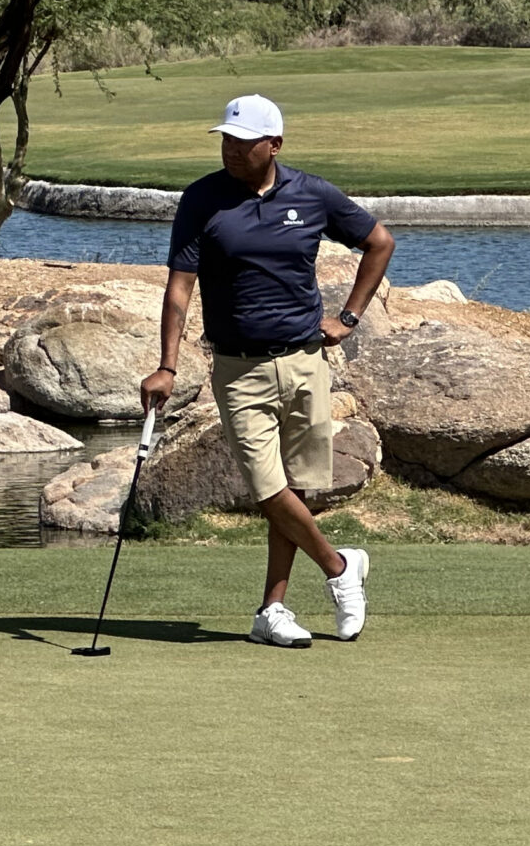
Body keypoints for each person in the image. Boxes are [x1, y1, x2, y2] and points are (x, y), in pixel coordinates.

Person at [141, 94, 393, 647]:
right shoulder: (202, 199)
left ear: (274, 144)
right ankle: (340, 567)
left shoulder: (312, 193)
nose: (231, 150)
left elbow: (379, 242)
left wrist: (349, 317)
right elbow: (180, 287)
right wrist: (167, 366)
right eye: (226, 141)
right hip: (238, 369)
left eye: (244, 142)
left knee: (296, 487)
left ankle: (271, 611)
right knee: (268, 487)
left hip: (305, 362)